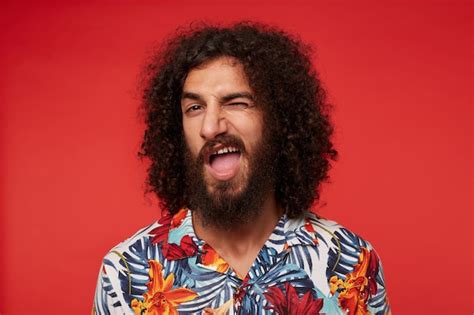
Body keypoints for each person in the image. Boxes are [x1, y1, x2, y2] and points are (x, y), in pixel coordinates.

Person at [93, 22, 391, 315]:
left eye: (236, 102)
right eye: (194, 108)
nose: (210, 127)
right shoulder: (125, 275)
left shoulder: (352, 263)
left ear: (278, 120)